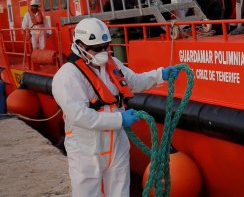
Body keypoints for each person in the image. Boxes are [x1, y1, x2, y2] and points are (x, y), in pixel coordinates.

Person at [51, 17, 180, 197]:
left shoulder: (111, 64)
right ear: (80, 45)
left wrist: (160, 75)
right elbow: (80, 115)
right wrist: (120, 119)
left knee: (120, 192)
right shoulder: (67, 76)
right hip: (86, 148)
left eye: (106, 46)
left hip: (116, 144)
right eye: (98, 48)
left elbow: (134, 81)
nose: (104, 51)